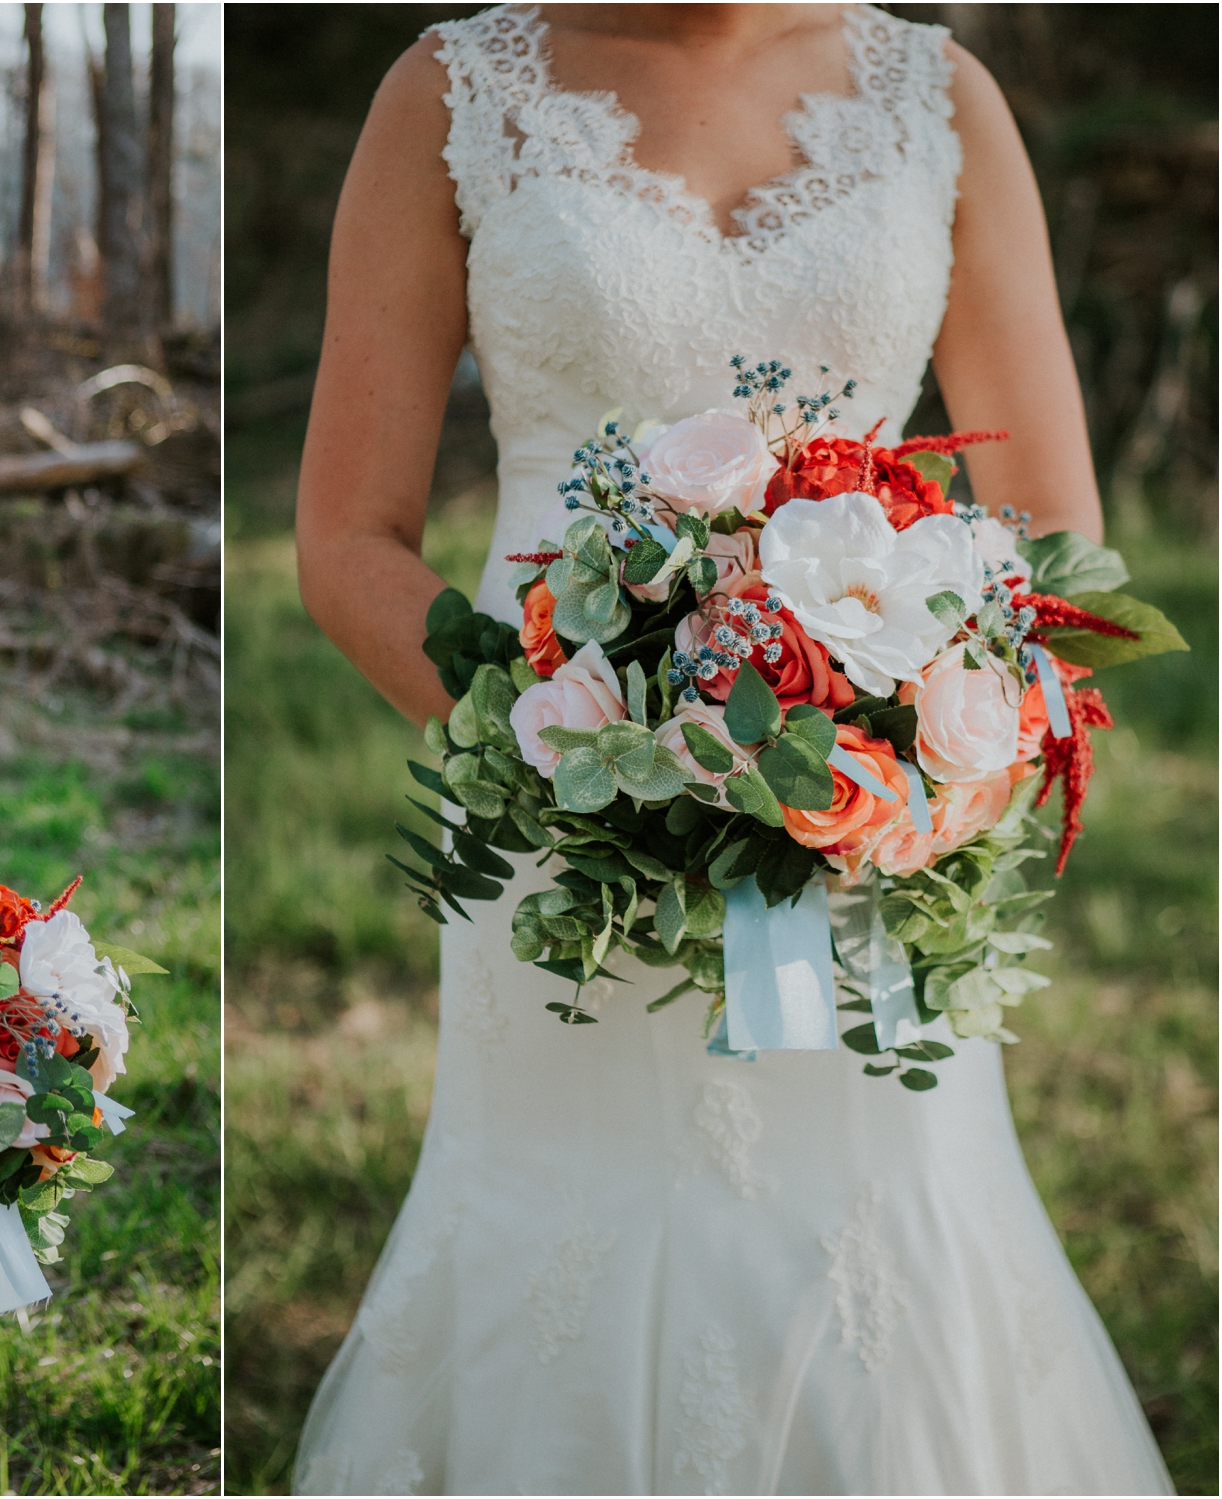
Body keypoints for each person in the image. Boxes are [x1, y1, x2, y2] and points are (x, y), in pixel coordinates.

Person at [290, 6, 1172, 1493]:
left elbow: (1061, 548)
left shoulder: (939, 98)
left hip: (876, 812)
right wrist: (553, 745)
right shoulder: (449, 93)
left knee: (874, 1232)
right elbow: (342, 536)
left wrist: (924, 757)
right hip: (561, 800)